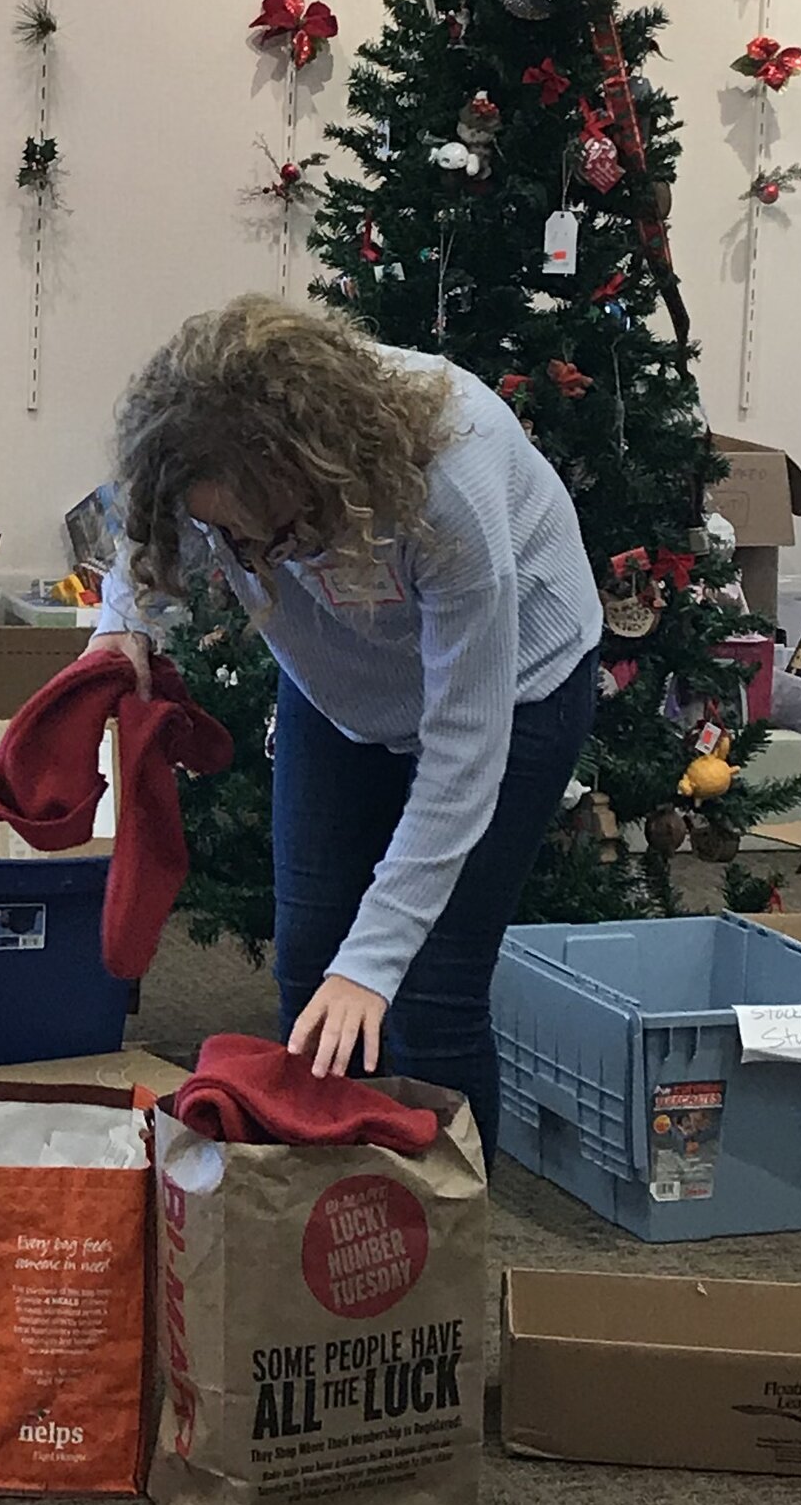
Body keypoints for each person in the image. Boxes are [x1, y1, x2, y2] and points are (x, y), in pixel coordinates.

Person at [90, 294, 602, 1158]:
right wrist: (121, 623)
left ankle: (442, 1258)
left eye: (270, 531)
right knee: (310, 955)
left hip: (515, 689)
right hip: (341, 691)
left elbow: (462, 755)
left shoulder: (450, 484)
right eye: (225, 534)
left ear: (318, 473)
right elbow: (147, 541)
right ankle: (319, 1230)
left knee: (430, 993)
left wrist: (373, 966)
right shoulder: (206, 451)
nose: (248, 558)